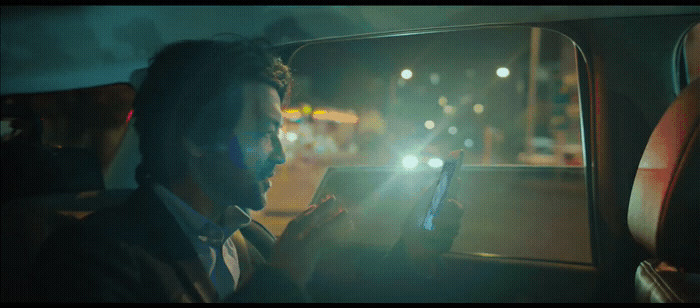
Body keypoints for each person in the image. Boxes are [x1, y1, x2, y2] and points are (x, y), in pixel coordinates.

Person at [29, 38, 462, 302]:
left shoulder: (249, 239)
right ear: (197, 139)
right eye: (264, 133)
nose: (279, 154)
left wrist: (415, 250)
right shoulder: (90, 256)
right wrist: (284, 277)